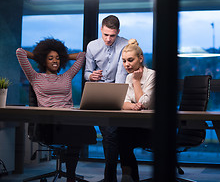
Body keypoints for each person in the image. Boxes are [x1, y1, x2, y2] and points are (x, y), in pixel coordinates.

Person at [16, 38, 96, 182]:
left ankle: (71, 175)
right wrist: (40, 56)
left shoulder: (66, 76)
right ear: (44, 60)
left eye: (58, 58)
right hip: (49, 122)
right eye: (51, 58)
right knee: (75, 132)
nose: (55, 61)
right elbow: (20, 52)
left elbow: (82, 56)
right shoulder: (35, 77)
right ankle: (70, 171)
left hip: (69, 118)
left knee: (80, 128)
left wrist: (63, 55)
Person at [84, 15, 128, 182]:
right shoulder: (92, 46)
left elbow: (121, 74)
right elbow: (86, 73)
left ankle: (111, 176)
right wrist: (91, 76)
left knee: (113, 133)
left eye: (113, 35)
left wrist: (117, 97)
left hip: (120, 91)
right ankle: (112, 176)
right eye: (106, 35)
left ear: (118, 33)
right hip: (99, 92)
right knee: (110, 133)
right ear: (101, 30)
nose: (109, 39)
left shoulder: (125, 44)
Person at [117, 39, 156, 182]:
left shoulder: (152, 75)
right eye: (124, 61)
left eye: (130, 60)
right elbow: (124, 103)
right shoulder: (128, 76)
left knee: (123, 135)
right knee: (121, 133)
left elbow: (144, 103)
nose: (126, 64)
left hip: (153, 127)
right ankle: (128, 175)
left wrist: (136, 81)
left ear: (140, 59)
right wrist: (133, 106)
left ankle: (128, 175)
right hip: (136, 125)